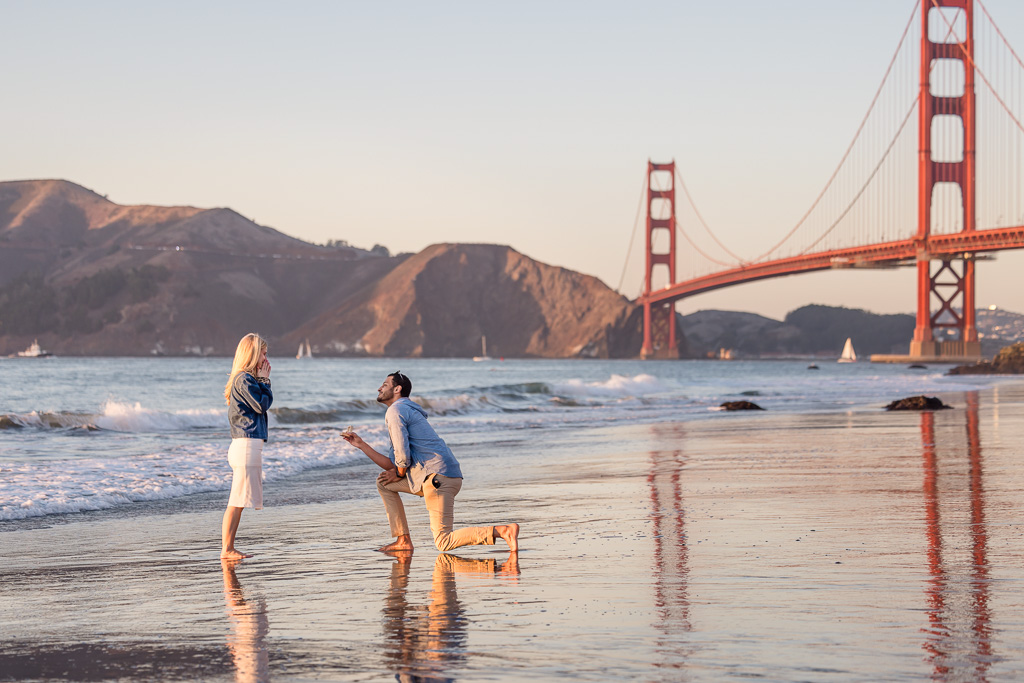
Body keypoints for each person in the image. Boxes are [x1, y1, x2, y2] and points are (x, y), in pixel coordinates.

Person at [341, 371, 519, 553]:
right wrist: (361, 445)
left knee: (443, 541)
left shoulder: (395, 410)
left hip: (436, 478)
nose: (379, 388)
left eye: (384, 385)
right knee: (384, 483)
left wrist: (399, 473)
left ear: (397, 389)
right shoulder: (406, 410)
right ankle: (403, 540)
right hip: (440, 476)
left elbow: (402, 458)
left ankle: (502, 531)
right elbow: (394, 465)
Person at [222, 333, 273, 559]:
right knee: (236, 500)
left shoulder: (244, 379)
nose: (265, 358)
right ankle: (227, 549)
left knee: (239, 500)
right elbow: (261, 406)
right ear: (252, 354)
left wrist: (261, 380)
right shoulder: (245, 379)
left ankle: (229, 547)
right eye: (262, 353)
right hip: (245, 445)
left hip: (247, 444)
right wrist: (264, 381)